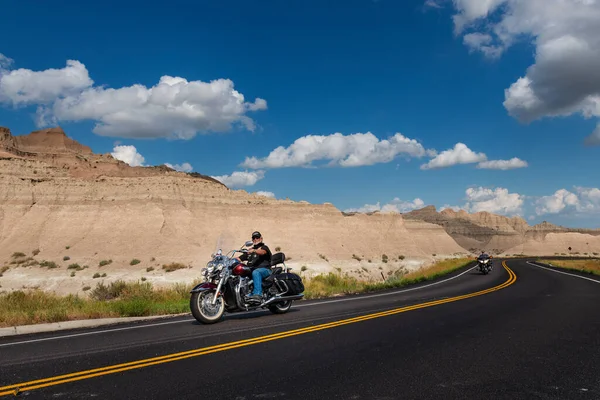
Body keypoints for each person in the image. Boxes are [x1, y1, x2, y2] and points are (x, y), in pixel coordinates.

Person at [244, 231, 272, 302]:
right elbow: (240, 258)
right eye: (253, 238)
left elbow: (262, 252)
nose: (255, 239)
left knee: (256, 272)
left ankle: (258, 294)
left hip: (265, 270)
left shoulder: (264, 247)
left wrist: (254, 250)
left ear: (261, 238)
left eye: (257, 237)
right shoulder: (251, 251)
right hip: (253, 270)